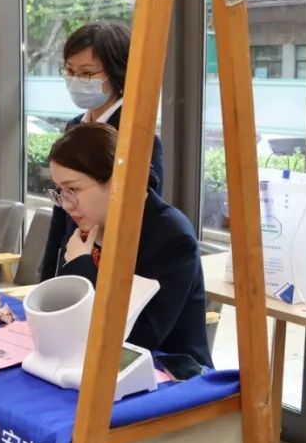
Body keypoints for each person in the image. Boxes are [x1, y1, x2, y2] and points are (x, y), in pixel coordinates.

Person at [44, 123, 212, 368]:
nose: (66, 204)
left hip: (167, 370)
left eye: (73, 189)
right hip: (86, 358)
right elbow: (63, 310)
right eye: (60, 191)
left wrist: (81, 266)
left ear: (117, 181)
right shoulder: (85, 220)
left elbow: (139, 337)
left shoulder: (170, 235)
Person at [40, 22, 165, 282]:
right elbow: (60, 213)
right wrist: (48, 275)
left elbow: (142, 217)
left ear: (116, 73)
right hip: (71, 256)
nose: (76, 80)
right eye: (70, 71)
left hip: (108, 267)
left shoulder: (137, 137)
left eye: (86, 74)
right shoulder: (75, 127)